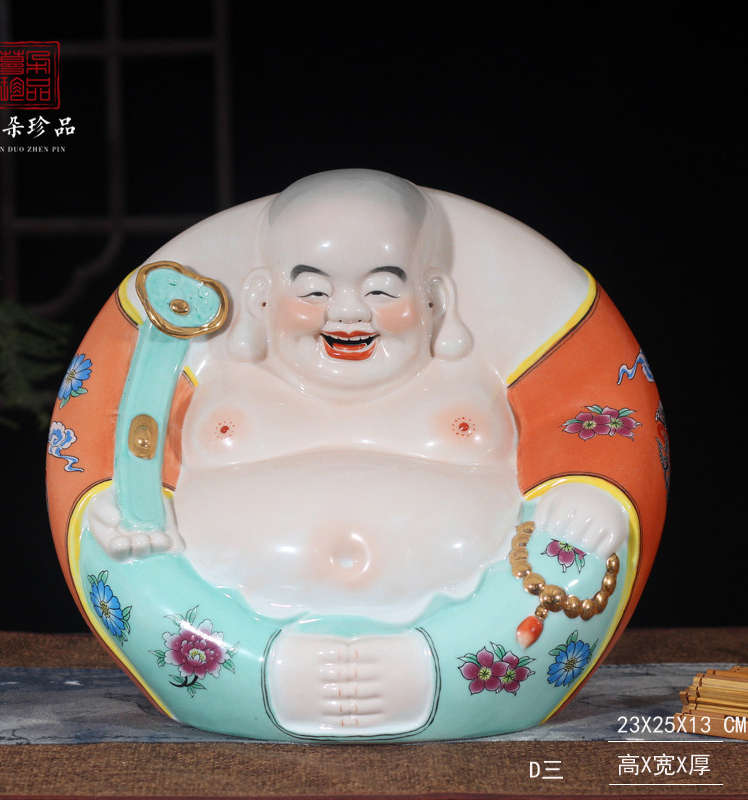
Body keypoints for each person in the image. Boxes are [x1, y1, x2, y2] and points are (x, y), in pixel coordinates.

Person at [51, 170, 664, 740]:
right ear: (262, 296)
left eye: (380, 289)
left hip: (481, 622)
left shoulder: (488, 372)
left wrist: (590, 486)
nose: (347, 312)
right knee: (114, 544)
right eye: (314, 289)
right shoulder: (207, 372)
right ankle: (258, 672)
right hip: (219, 626)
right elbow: (100, 424)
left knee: (586, 545)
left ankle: (437, 669)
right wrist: (117, 498)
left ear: (433, 296)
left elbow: (598, 411)